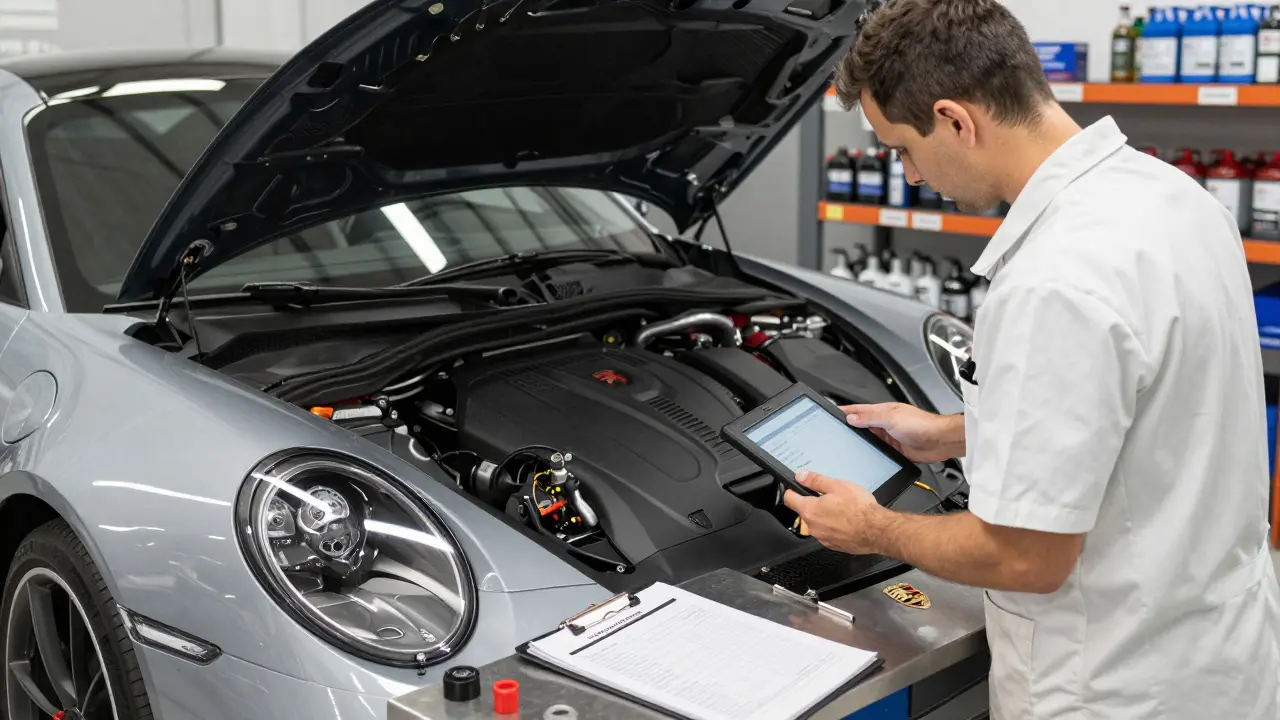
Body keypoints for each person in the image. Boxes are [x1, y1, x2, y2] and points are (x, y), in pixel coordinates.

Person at [783, 1, 1280, 718]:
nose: (913, 175)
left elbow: (1025, 558)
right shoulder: (1172, 199)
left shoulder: (1055, 277)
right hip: (1217, 656)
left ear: (957, 120)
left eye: (902, 149)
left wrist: (872, 528)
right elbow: (1149, 397)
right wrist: (952, 431)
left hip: (1114, 684)